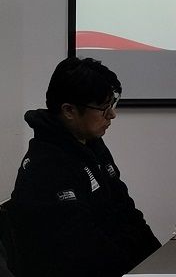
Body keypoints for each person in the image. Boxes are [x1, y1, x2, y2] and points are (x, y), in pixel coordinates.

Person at [9, 57, 160, 277]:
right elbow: (84, 251)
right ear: (69, 110)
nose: (112, 114)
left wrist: (160, 261)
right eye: (103, 108)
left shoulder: (92, 144)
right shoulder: (46, 167)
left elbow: (126, 212)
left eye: (112, 104)